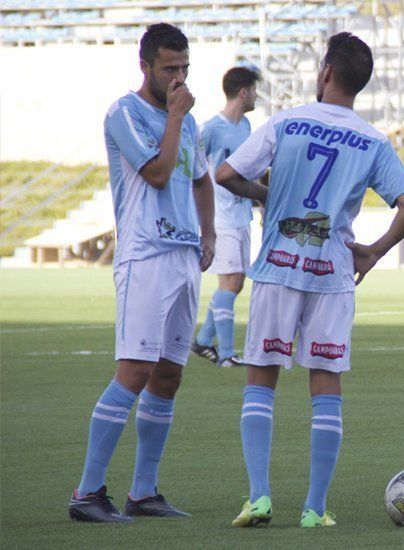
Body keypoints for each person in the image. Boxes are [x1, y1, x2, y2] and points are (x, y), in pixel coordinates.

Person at [214, 32, 404, 528]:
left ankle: (259, 498)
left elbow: (224, 175)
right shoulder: (373, 140)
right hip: (332, 274)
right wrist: (372, 252)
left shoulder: (286, 121)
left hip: (277, 268)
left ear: (325, 72)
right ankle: (314, 508)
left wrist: (268, 193)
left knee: (260, 383)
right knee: (326, 390)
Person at [68, 23, 215, 523]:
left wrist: (209, 234)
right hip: (144, 255)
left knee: (169, 376)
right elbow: (157, 171)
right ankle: (87, 493)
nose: (179, 78)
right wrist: (175, 117)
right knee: (134, 371)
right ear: (146, 66)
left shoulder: (190, 123)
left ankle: (143, 492)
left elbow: (201, 180)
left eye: (185, 69)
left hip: (184, 257)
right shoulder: (124, 113)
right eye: (170, 68)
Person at [191, 66, 263, 368]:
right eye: (255, 90)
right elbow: (193, 167)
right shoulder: (210, 129)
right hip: (220, 216)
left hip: (241, 214)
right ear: (244, 92)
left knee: (237, 282)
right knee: (230, 281)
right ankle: (226, 354)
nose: (257, 96)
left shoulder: (245, 126)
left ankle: (204, 341)